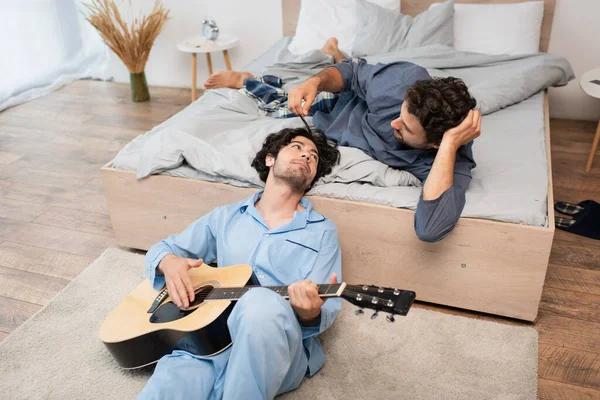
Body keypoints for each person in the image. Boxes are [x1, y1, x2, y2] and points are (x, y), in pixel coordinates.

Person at [204, 37, 481, 242]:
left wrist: (448, 146)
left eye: (405, 129)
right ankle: (248, 80)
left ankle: (328, 55)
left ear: (435, 143)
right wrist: (314, 83)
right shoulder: (401, 84)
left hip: (352, 130)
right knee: (281, 102)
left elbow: (429, 229)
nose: (394, 123)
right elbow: (352, 74)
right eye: (400, 113)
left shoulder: (449, 159)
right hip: (337, 107)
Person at [138, 127, 342, 400]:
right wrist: (169, 261)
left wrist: (309, 312)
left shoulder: (323, 231)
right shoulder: (224, 217)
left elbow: (327, 308)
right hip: (208, 341)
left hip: (277, 343)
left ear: (312, 178)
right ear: (270, 159)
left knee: (259, 303)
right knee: (171, 382)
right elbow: (162, 249)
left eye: (313, 156)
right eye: (297, 147)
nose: (306, 155)